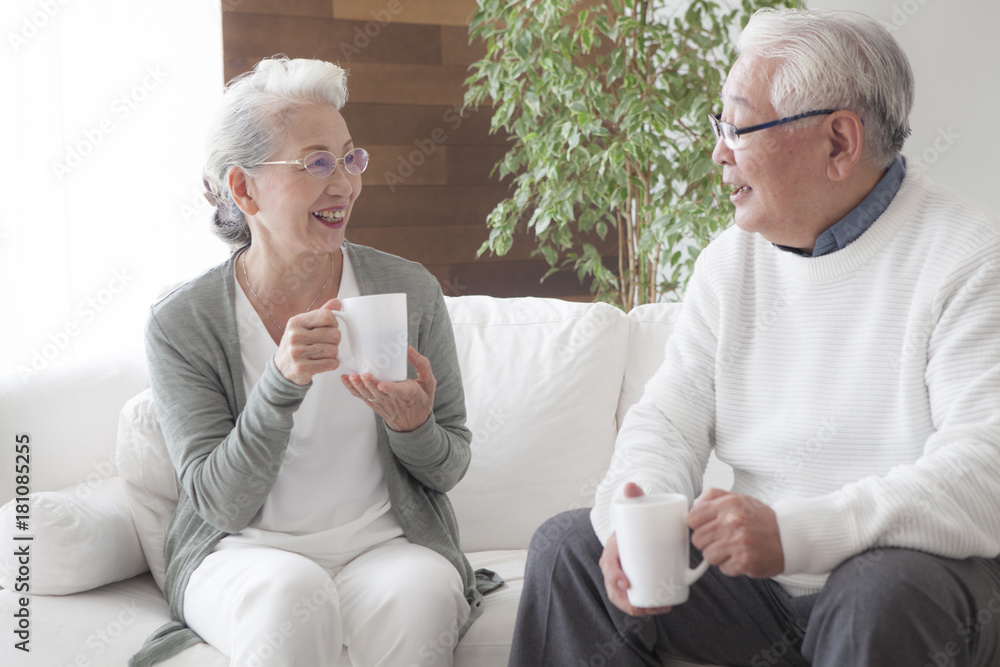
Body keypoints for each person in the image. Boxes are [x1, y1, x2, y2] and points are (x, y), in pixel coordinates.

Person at [508, 8, 1000, 667]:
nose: (718, 151)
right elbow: (669, 419)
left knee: (876, 591)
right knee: (567, 548)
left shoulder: (969, 258)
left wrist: (795, 534)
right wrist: (636, 501)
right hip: (759, 593)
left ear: (838, 143)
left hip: (911, 585)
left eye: (737, 126)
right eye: (721, 126)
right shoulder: (730, 261)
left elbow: (983, 473)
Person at [129, 56, 495, 667]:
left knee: (424, 594)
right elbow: (217, 504)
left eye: (350, 158)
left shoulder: (407, 288)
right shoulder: (183, 323)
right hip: (241, 553)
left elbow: (449, 464)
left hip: (384, 543)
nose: (345, 184)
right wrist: (281, 382)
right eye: (317, 163)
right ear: (243, 188)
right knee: (290, 594)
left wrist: (414, 427)